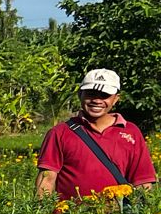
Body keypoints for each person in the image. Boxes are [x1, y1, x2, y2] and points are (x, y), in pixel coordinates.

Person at [36, 68, 156, 199]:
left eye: (105, 95)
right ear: (80, 95)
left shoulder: (130, 132)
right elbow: (47, 179)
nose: (97, 100)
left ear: (116, 99)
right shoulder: (60, 133)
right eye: (91, 94)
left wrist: (143, 213)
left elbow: (143, 182)